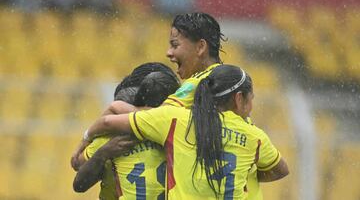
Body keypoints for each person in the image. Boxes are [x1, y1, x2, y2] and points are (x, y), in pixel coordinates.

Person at [74, 12, 262, 199]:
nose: (169, 53)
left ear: (200, 47)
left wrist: (107, 120)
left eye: (175, 45)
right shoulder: (226, 85)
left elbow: (158, 116)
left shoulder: (198, 84)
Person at [82, 65, 289, 199]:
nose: (251, 104)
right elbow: (281, 170)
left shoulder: (177, 121)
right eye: (251, 98)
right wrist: (240, 175)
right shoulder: (255, 136)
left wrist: (84, 141)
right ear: (238, 98)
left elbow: (109, 120)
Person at [72, 62, 180, 200]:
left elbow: (78, 179)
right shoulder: (174, 131)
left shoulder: (112, 137)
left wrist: (100, 149)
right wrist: (103, 153)